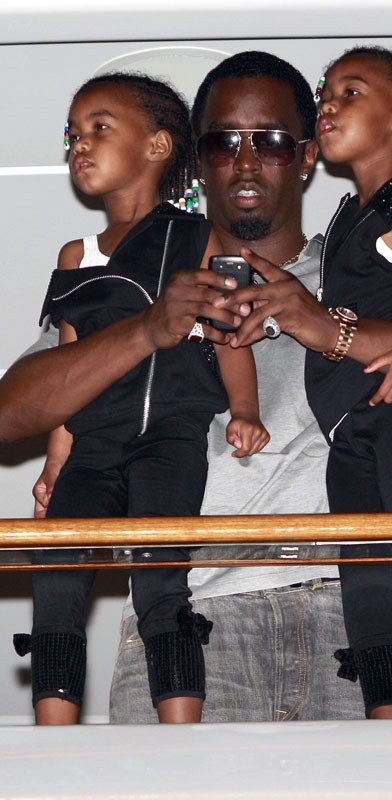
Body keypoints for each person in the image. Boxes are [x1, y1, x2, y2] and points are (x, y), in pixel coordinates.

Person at [1, 51, 392, 723]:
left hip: (354, 618)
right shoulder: (130, 275)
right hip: (187, 613)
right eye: (221, 142)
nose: (243, 160)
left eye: (269, 141)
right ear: (195, 161)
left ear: (306, 156)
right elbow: (12, 412)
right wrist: (148, 328)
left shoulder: (370, 266)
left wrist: (328, 327)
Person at [221, 48, 392, 721]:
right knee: (363, 575)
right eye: (329, 93)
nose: (330, 105)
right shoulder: (353, 216)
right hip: (349, 427)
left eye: (351, 92)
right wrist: (286, 316)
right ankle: (385, 713)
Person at [14, 71, 268, 726]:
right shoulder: (76, 255)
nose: (80, 143)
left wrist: (245, 410)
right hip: (92, 449)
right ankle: (53, 734)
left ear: (157, 146)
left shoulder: (199, 237)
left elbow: (229, 338)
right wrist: (54, 464)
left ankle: (180, 730)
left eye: (99, 127)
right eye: (73, 133)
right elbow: (68, 366)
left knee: (160, 577)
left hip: (169, 442)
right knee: (55, 575)